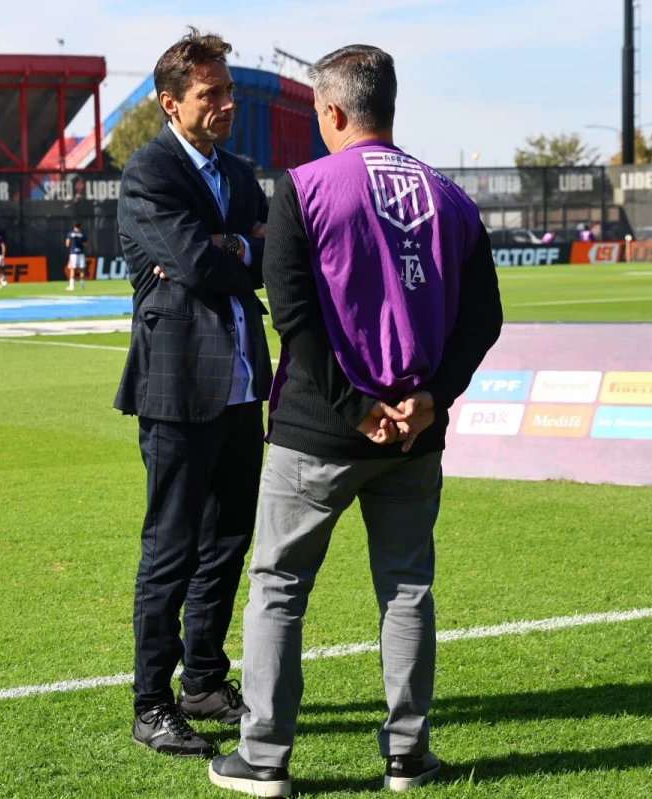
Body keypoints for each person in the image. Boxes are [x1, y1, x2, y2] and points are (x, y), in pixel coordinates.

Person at [208, 45, 502, 797]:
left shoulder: (305, 185)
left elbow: (293, 315)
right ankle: (409, 756)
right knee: (407, 588)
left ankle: (264, 757)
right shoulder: (451, 196)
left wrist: (353, 405)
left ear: (333, 111)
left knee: (279, 587)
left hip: (318, 430)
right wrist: (434, 396)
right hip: (414, 432)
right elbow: (484, 319)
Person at [114, 27, 271, 759]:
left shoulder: (239, 173)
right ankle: (151, 702)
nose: (226, 103)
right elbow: (193, 263)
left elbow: (269, 257)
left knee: (229, 541)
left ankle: (203, 681)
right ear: (170, 102)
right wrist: (236, 246)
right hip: (177, 387)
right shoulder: (148, 172)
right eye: (211, 93)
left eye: (229, 90)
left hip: (241, 384)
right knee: (171, 547)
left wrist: (232, 246)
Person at [65, 221, 87, 290]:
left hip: (73, 254)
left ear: (74, 226)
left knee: (72, 269)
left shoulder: (70, 234)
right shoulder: (82, 234)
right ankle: (82, 285)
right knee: (82, 269)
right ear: (80, 227)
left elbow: (67, 244)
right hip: (81, 253)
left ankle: (72, 286)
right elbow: (85, 244)